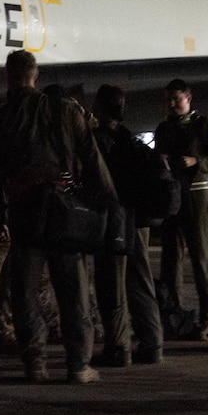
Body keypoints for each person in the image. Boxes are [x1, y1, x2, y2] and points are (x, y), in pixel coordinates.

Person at [0, 49, 118, 383]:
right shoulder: (66, 110)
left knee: (25, 292)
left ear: (8, 77)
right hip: (65, 212)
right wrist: (108, 207)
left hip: (24, 214)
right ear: (36, 75)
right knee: (73, 290)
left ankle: (35, 362)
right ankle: (79, 364)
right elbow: (93, 161)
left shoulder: (2, 118)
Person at [88, 84, 166, 367]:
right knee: (141, 282)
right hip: (138, 223)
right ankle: (153, 343)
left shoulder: (99, 141)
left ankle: (119, 348)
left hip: (114, 222)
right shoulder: (129, 139)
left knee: (112, 285)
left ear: (99, 107)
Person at [154, 79, 208, 337]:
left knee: (202, 261)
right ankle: (173, 317)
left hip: (196, 197)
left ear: (189, 97)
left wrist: (197, 161)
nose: (173, 103)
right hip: (171, 198)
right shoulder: (163, 128)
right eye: (169, 99)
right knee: (170, 262)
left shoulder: (203, 126)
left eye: (177, 98)